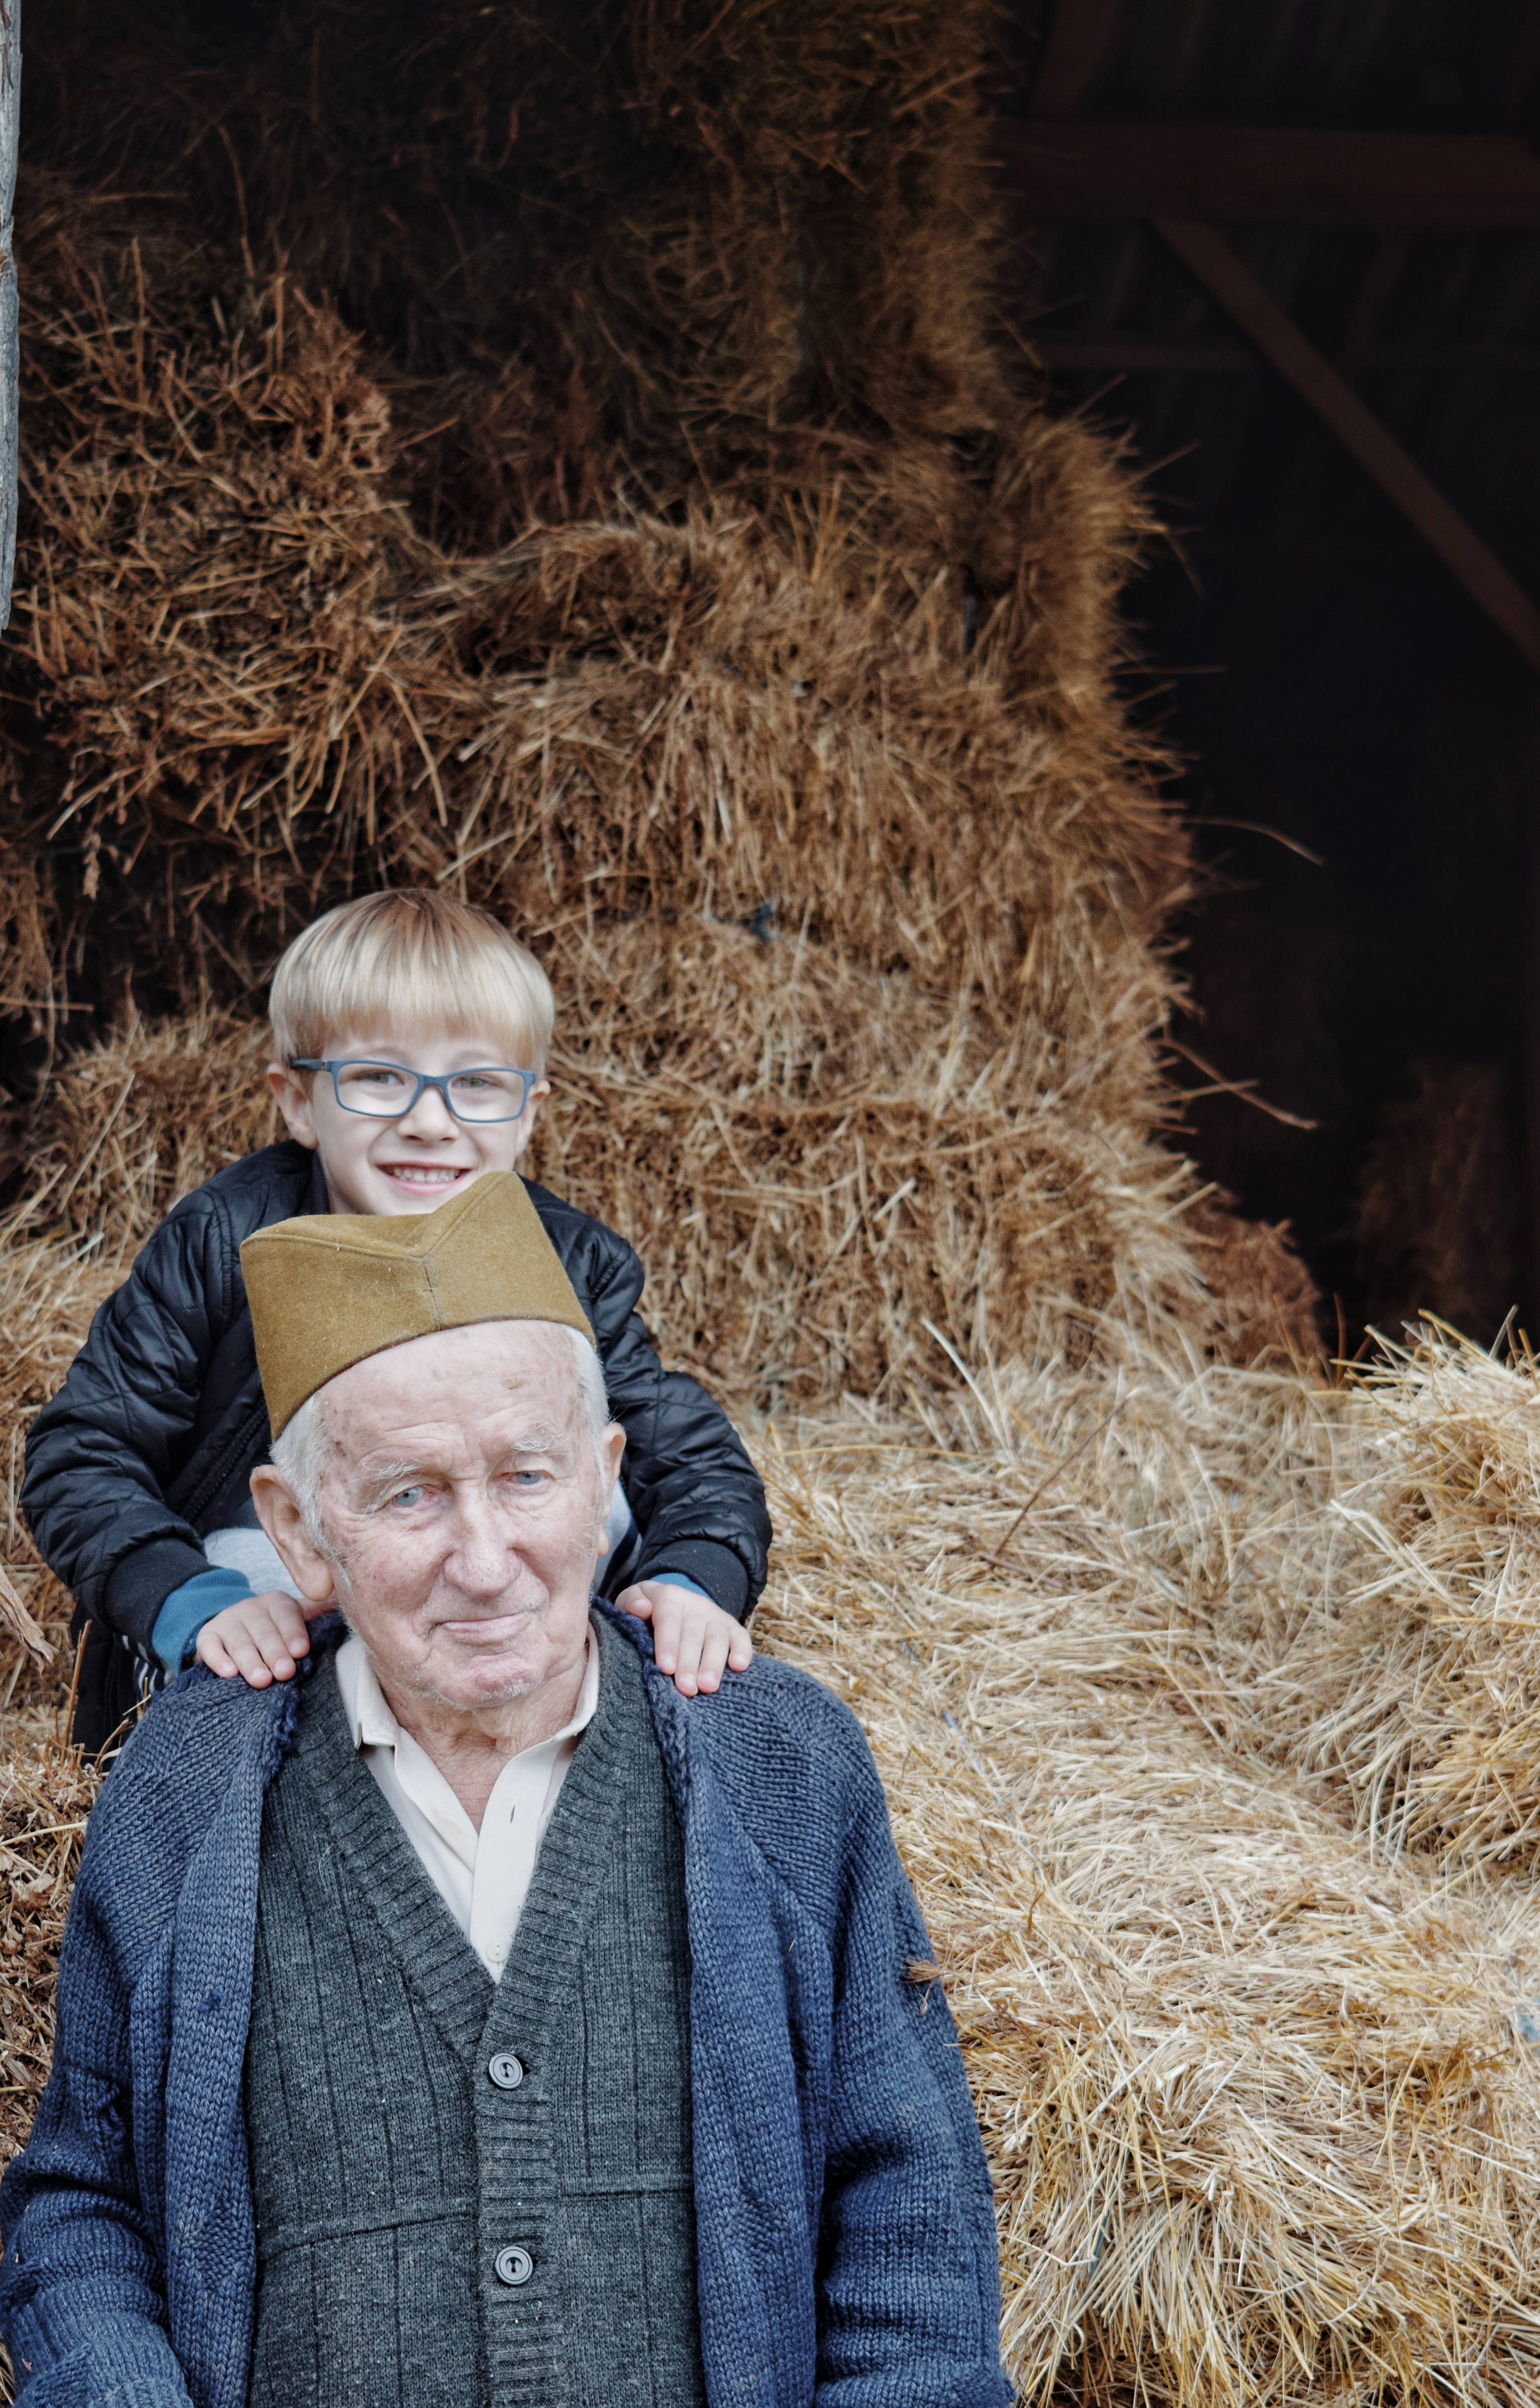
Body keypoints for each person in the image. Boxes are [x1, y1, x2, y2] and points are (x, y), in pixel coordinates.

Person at [0, 1173, 1009, 2408]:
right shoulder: (187, 1781)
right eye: (408, 1493)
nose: (482, 1562)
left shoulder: (778, 1762)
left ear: (604, 1480)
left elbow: (910, 2214)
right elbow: (83, 2198)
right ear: (301, 1529)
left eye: (526, 1477)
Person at [23, 889, 770, 1750]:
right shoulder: (222, 1242)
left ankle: (567, 1740)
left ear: (527, 1112)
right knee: (266, 1563)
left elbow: (693, 1459)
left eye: (477, 1084)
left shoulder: (568, 1263)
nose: (429, 1121)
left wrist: (692, 1580)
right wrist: (185, 1596)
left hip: (490, 1587)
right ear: (299, 1101)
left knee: (595, 1504)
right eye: (378, 1077)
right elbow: (82, 1449)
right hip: (275, 1600)